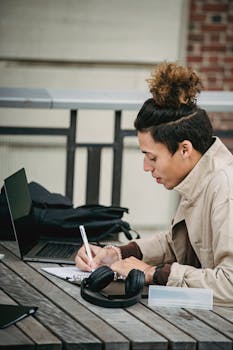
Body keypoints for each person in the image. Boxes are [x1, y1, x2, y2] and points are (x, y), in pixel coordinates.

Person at [75, 61, 233, 306]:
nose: (146, 168)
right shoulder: (199, 176)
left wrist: (152, 273)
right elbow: (174, 242)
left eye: (152, 157)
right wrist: (115, 254)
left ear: (184, 149)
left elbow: (230, 285)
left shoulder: (225, 188)